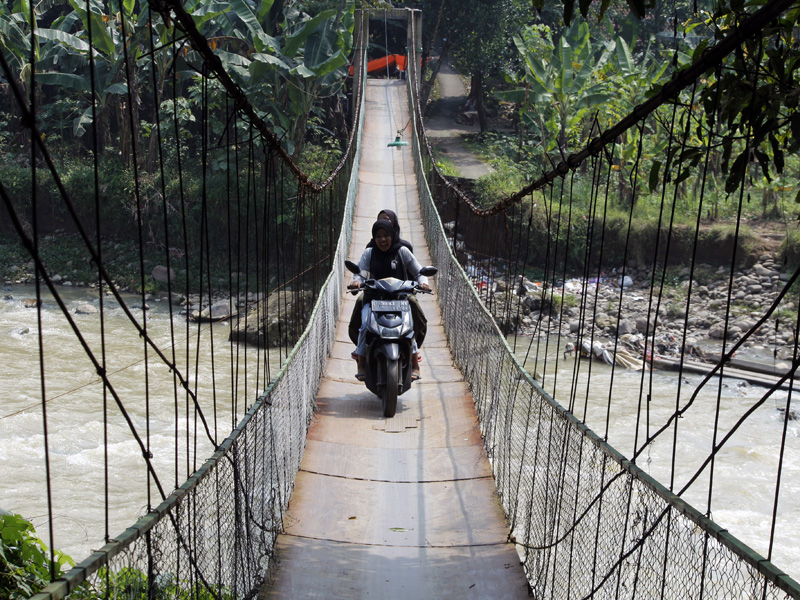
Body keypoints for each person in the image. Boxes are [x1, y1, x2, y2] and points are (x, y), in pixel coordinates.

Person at [349, 219, 430, 381]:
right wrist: (356, 281)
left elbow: (418, 271)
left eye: (386, 235)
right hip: (374, 298)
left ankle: (415, 364)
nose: (383, 240)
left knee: (409, 326)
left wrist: (423, 283)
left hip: (399, 298)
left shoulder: (402, 251)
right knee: (365, 324)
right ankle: (362, 362)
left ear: (392, 235)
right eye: (378, 236)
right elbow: (360, 272)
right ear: (374, 238)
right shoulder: (369, 253)